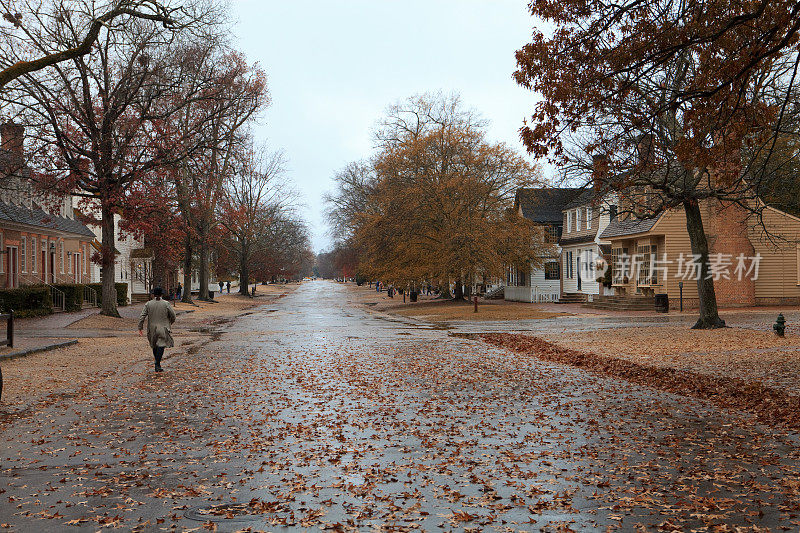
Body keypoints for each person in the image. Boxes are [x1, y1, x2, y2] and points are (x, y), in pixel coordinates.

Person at [138, 287, 176, 373]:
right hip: (163, 328)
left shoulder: (148, 304)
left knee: (154, 345)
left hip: (151, 328)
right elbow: (173, 316)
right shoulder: (166, 304)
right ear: (162, 294)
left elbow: (142, 316)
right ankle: (157, 364)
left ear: (153, 294)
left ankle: (157, 363)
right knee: (161, 345)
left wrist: (140, 327)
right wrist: (169, 323)